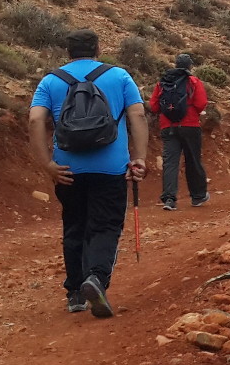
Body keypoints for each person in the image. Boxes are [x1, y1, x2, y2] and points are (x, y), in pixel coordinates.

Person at [29, 30, 147, 319]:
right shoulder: (119, 76)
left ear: (67, 51)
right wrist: (140, 159)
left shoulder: (50, 80)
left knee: (74, 226)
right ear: (98, 48)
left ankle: (74, 294)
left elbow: (35, 120)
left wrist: (47, 165)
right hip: (111, 168)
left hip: (68, 170)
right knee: (105, 226)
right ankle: (96, 277)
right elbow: (138, 116)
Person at [152, 53, 210, 210]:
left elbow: (154, 106)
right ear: (190, 66)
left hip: (168, 127)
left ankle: (169, 199)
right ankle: (198, 197)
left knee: (170, 163)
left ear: (176, 64)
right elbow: (201, 103)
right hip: (190, 126)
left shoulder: (163, 82)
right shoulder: (193, 81)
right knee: (193, 160)